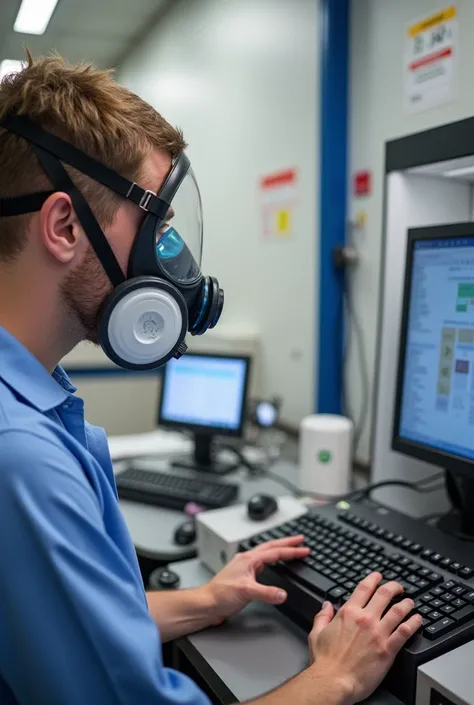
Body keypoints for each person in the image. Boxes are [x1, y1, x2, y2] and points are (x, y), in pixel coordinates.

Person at [0, 55, 422, 705]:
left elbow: (69, 622)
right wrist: (336, 674)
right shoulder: (20, 454)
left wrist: (204, 597)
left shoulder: (33, 399)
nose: (173, 260)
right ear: (63, 227)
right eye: (156, 226)